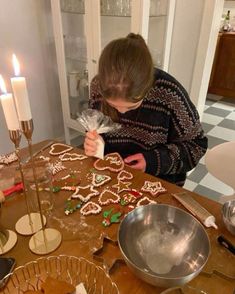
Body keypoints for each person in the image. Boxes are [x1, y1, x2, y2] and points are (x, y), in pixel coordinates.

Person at [84, 33, 208, 186]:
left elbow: (196, 146)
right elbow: (95, 126)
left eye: (132, 106)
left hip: (158, 182)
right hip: (111, 177)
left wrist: (153, 161)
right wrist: (95, 141)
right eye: (113, 106)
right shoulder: (98, 86)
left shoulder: (170, 93)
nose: (122, 112)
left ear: (148, 87)